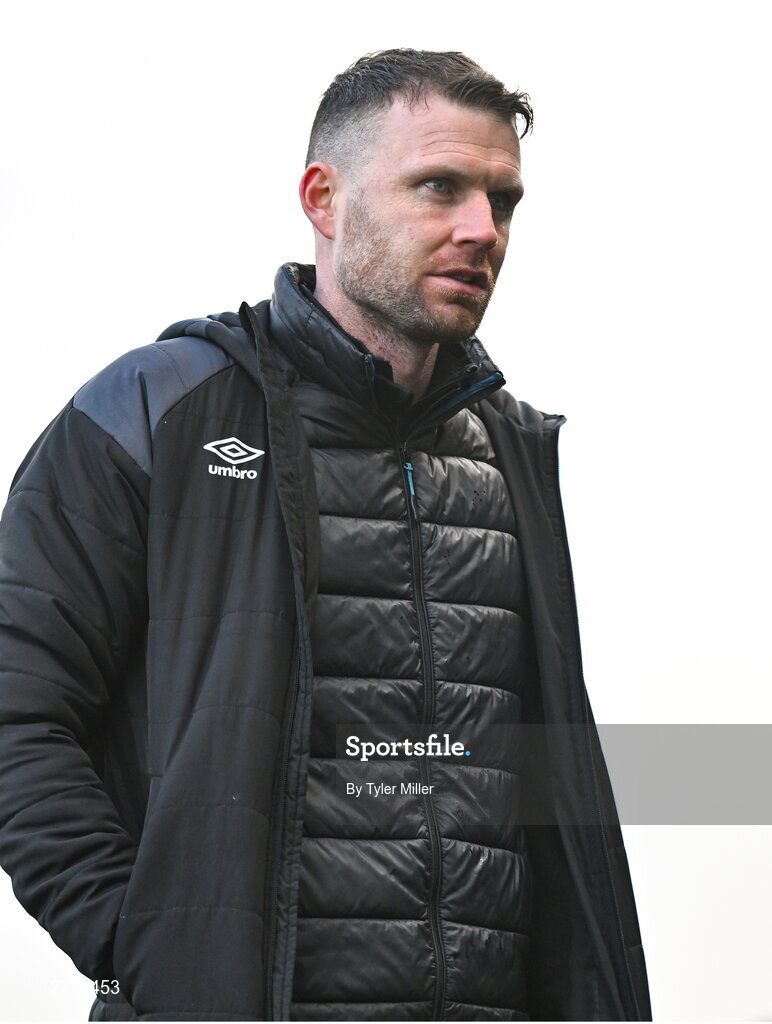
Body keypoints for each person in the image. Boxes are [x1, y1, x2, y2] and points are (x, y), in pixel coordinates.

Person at [0, 49, 651, 1022]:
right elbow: (17, 710)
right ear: (324, 198)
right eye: (439, 187)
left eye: (503, 201)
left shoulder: (510, 450)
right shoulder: (159, 411)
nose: (481, 229)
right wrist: (150, 947)